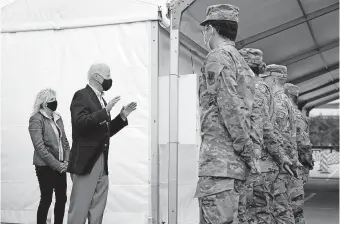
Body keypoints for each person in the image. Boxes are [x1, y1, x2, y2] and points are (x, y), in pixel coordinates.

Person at [195, 4, 258, 224]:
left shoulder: (217, 57)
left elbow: (230, 107)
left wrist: (245, 148)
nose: (204, 34)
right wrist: (249, 154)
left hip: (220, 167)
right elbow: (253, 113)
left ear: (211, 28)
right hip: (234, 167)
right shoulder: (242, 62)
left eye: (205, 29)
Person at [67, 63, 137, 224]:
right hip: (86, 162)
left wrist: (122, 118)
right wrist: (104, 112)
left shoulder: (101, 100)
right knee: (80, 209)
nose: (110, 78)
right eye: (108, 75)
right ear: (97, 77)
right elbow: (80, 123)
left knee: (97, 209)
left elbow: (104, 132)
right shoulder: (82, 95)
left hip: (101, 160)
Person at [239, 49, 293, 224]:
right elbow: (270, 128)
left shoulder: (255, 88)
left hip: (256, 163)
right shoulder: (265, 90)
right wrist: (282, 157)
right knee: (265, 211)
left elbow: (262, 128)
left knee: (255, 213)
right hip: (264, 162)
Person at [261, 64, 300, 223]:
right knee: (283, 208)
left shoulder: (277, 101)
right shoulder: (287, 101)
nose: (264, 82)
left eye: (266, 78)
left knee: (278, 210)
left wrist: (281, 158)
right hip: (285, 162)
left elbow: (278, 134)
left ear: (274, 79)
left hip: (278, 164)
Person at [28, 89, 70, 224]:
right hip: (44, 166)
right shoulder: (36, 119)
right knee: (46, 198)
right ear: (44, 103)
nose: (55, 102)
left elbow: (65, 142)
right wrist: (57, 165)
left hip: (61, 165)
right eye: (52, 100)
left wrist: (67, 161)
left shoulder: (57, 117)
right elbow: (40, 148)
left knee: (62, 198)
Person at [284, 83, 314, 224]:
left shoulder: (293, 115)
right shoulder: (297, 115)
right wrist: (308, 164)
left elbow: (302, 144)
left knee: (290, 209)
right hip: (294, 168)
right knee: (293, 209)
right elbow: (304, 145)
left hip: (291, 168)